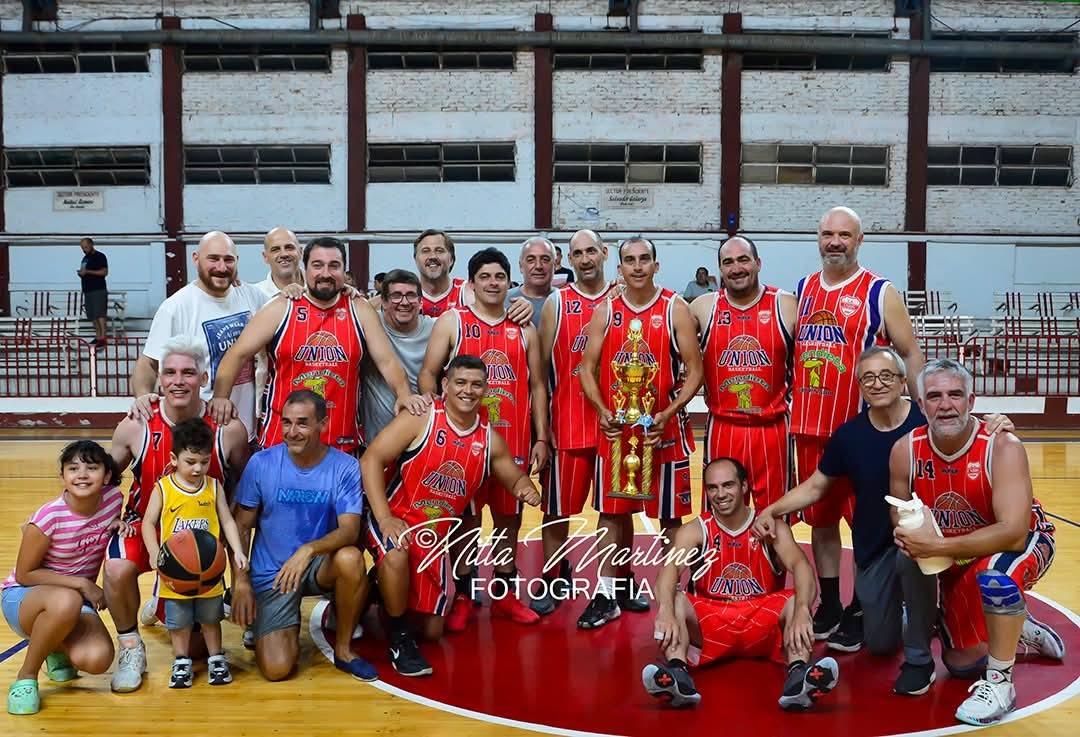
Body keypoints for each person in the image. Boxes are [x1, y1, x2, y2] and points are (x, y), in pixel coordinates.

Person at [890, 359, 1062, 726]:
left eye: (955, 394)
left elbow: (1013, 532)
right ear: (920, 404)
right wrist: (910, 535)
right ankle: (1018, 626)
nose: (945, 405)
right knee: (961, 664)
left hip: (1020, 542)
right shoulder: (905, 450)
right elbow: (898, 511)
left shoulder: (1002, 445)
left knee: (997, 574)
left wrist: (937, 548)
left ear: (971, 400)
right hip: (960, 554)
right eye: (934, 396)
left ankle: (1000, 685)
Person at [791, 206, 924, 646]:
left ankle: (866, 605)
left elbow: (910, 352)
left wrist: (921, 414)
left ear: (860, 240)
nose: (835, 242)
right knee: (822, 522)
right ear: (818, 237)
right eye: (828, 233)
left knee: (869, 525)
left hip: (862, 435)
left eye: (844, 235)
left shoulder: (879, 292)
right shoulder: (803, 290)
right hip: (810, 429)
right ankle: (831, 603)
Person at [361, 355, 542, 676]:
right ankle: (400, 641)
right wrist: (384, 518)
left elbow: (513, 478)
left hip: (432, 540)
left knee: (432, 631)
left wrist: (526, 488)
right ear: (445, 385)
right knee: (397, 553)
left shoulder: (488, 439)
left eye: (476, 384)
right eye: (460, 382)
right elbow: (371, 459)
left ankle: (374, 590)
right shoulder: (422, 417)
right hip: (395, 517)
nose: (467, 391)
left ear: (486, 389)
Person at [105, 335, 248, 692]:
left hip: (201, 535)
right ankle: (131, 647)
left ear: (204, 378)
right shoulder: (136, 424)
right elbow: (104, 480)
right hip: (146, 526)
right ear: (159, 378)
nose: (178, 381)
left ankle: (162, 598)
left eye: (188, 373)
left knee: (197, 652)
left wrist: (234, 556)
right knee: (117, 568)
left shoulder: (228, 428)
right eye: (169, 372)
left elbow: (246, 492)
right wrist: (111, 517)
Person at [419, 247, 549, 630]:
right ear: (472, 283)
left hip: (514, 439)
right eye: (485, 277)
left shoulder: (525, 328)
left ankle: (505, 593)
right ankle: (463, 592)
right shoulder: (453, 321)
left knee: (509, 518)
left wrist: (542, 437)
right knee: (467, 520)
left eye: (499, 277)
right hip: (464, 443)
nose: (493, 283)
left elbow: (538, 386)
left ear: (509, 283)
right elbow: (429, 374)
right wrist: (437, 421)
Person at [643, 458, 839, 711]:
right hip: (711, 622)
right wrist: (666, 610)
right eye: (712, 487)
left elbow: (801, 565)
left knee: (794, 601)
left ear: (744, 486)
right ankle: (677, 675)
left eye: (728, 485)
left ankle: (799, 675)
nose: (720, 494)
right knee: (675, 600)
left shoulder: (771, 527)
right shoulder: (696, 530)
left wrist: (803, 609)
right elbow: (668, 570)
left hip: (761, 622)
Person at [578, 237, 704, 629]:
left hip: (662, 430)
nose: (637, 266)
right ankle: (608, 593)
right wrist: (601, 410)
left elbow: (695, 371)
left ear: (656, 265)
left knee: (670, 518)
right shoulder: (605, 311)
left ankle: (672, 595)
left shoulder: (674, 308)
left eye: (644, 259)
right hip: (618, 431)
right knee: (611, 514)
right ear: (619, 268)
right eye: (629, 260)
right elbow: (586, 368)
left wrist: (669, 412)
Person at [209, 237, 426, 455]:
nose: (325, 273)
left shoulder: (359, 309)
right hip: (281, 442)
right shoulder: (281, 307)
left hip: (341, 442)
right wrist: (220, 397)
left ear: (344, 270)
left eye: (334, 266)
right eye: (317, 265)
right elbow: (237, 354)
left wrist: (404, 394)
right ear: (305, 269)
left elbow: (387, 361)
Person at [230, 390, 375, 682]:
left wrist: (307, 550)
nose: (292, 432)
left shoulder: (345, 467)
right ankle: (268, 620)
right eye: (286, 422)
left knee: (350, 559)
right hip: (273, 572)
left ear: (323, 423)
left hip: (317, 564)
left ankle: (343, 650)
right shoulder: (261, 463)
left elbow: (350, 530)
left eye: (302, 423)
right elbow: (241, 527)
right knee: (277, 669)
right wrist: (240, 581)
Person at [2, 441, 128, 715]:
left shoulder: (113, 500)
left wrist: (118, 524)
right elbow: (24, 574)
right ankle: (26, 676)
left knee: (98, 658)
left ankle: (54, 648)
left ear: (107, 475)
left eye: (91, 468)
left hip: (72, 601)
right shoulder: (49, 517)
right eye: (73, 469)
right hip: (24, 598)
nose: (82, 475)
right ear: (62, 476)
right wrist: (82, 584)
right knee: (67, 600)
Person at [532, 229, 615, 615]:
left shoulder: (622, 299)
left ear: (604, 253)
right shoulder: (558, 302)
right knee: (556, 510)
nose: (585, 259)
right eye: (577, 253)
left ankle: (616, 583)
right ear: (569, 259)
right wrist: (542, 428)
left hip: (616, 426)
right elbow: (539, 373)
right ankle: (553, 575)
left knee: (615, 511)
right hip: (568, 424)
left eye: (591, 251)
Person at [689, 235, 795, 513]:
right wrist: (622, 294)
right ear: (720, 269)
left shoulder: (786, 305)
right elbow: (662, 329)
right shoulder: (703, 307)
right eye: (728, 262)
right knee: (719, 517)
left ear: (758, 263)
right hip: (723, 428)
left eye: (743, 260)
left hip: (772, 430)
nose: (736, 268)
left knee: (776, 519)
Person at [140, 419, 247, 688]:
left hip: (210, 569)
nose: (198, 468)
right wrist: (153, 551)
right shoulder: (164, 488)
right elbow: (147, 523)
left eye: (204, 462)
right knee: (179, 621)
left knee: (211, 618)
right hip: (175, 571)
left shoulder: (213, 487)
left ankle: (216, 658)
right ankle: (181, 661)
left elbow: (228, 520)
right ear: (174, 459)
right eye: (190, 462)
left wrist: (237, 550)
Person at [130, 231, 269, 439]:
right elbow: (148, 363)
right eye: (213, 259)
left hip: (245, 431)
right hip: (198, 437)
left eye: (228, 260)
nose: (221, 267)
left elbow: (284, 313)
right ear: (195, 259)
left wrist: (293, 290)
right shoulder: (176, 307)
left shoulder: (252, 296)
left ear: (237, 261)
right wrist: (142, 396)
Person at [360, 270, 435, 440]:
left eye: (411, 295)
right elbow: (346, 309)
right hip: (376, 438)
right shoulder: (369, 323)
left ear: (421, 302)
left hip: (421, 438)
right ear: (383, 302)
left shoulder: (436, 328)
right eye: (396, 296)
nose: (404, 302)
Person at [506, 236, 556, 328]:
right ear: (521, 266)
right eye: (531, 260)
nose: (538, 266)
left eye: (545, 260)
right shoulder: (503, 301)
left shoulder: (565, 301)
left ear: (555, 265)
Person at [253, 227, 302, 300]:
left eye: (289, 247)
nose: (284, 254)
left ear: (301, 252)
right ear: (265, 257)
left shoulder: (318, 288)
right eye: (275, 249)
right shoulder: (254, 295)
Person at [77, 237, 109, 348]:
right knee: (92, 315)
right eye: (82, 248)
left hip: (98, 289)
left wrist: (87, 271)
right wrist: (81, 273)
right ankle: (98, 336)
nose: (84, 249)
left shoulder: (99, 256)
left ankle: (103, 337)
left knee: (100, 313)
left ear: (91, 245)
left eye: (86, 247)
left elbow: (104, 272)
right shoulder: (85, 258)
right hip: (88, 290)